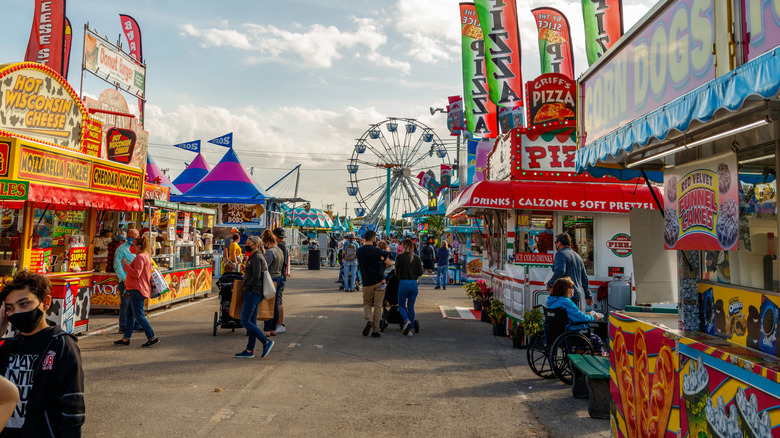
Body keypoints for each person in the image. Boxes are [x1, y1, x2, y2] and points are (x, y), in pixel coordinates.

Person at [0, 271, 85, 436]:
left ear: (45, 302)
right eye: (10, 308)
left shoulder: (61, 345)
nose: (17, 312)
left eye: (24, 304)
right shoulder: (7, 346)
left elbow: (73, 408)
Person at [115, 235, 159, 347]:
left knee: (139, 315)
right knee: (130, 314)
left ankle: (152, 337)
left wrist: (125, 265)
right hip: (137, 289)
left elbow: (136, 274)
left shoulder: (140, 257)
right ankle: (126, 338)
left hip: (137, 289)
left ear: (139, 246)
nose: (132, 247)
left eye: (134, 245)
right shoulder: (146, 256)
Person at [235, 235, 275, 359]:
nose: (246, 244)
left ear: (256, 245)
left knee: (245, 321)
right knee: (252, 322)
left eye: (249, 243)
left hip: (253, 292)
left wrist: (247, 287)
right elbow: (253, 272)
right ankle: (249, 350)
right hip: (254, 292)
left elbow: (256, 275)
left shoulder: (257, 257)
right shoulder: (255, 256)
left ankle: (266, 341)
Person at [546, 277, 604, 353]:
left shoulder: (553, 301)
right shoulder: (566, 302)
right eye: (571, 287)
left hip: (555, 334)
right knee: (596, 339)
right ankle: (579, 361)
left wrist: (584, 314)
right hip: (572, 333)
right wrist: (593, 318)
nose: (573, 289)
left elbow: (570, 315)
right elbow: (580, 318)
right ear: (565, 289)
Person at [357, 230, 391, 338]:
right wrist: (380, 268)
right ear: (373, 239)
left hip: (366, 281)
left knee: (367, 302)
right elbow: (388, 263)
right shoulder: (377, 252)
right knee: (378, 305)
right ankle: (375, 330)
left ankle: (368, 320)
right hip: (378, 281)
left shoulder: (359, 251)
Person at [547, 233, 593, 309]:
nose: (555, 245)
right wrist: (588, 295)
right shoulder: (578, 256)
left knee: (562, 319)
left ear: (559, 242)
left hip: (564, 295)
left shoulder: (560, 254)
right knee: (573, 318)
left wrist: (550, 284)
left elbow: (560, 272)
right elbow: (584, 278)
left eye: (555, 242)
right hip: (576, 294)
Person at [113, 229, 141, 334]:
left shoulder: (139, 249)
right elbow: (117, 265)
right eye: (129, 236)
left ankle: (136, 324)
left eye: (133, 236)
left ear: (138, 237)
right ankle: (123, 326)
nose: (131, 238)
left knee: (136, 303)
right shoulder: (121, 249)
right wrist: (124, 280)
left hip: (137, 281)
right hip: (125, 281)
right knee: (125, 304)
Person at [395, 238, 423, 337]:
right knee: (411, 306)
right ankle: (410, 330)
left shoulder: (399, 257)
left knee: (401, 306)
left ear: (403, 246)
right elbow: (420, 272)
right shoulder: (417, 258)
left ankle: (406, 321)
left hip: (403, 282)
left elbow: (396, 271)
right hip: (414, 284)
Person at [262, 230, 285, 337]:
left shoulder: (270, 252)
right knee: (275, 304)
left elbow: (264, 266)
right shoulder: (279, 250)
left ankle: (267, 329)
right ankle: (273, 328)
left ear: (267, 242)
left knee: (268, 305)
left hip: (271, 279)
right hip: (279, 277)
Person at [272, 227, 288, 334]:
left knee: (278, 301)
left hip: (279, 276)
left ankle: (280, 324)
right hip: (281, 275)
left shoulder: (280, 247)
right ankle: (278, 323)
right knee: (278, 300)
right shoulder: (284, 246)